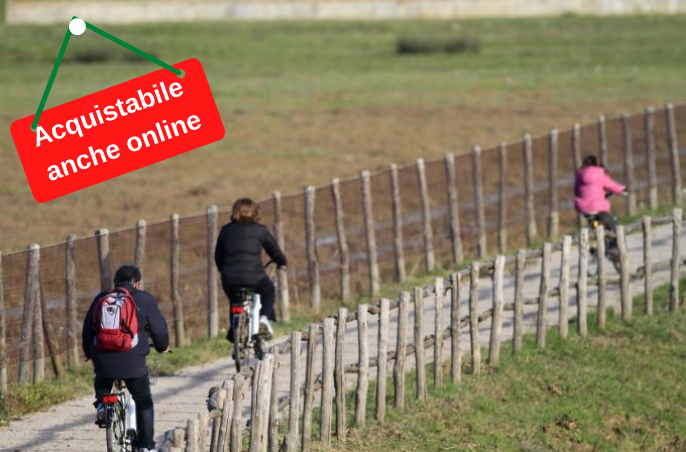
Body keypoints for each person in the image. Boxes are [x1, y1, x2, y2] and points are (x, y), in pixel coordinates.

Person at [82, 264, 169, 452]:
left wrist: (90, 353)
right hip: (133, 363)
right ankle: (145, 446)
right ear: (137, 283)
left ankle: (104, 405)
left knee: (103, 382)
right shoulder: (144, 299)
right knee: (143, 399)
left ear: (115, 283)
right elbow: (159, 331)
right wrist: (163, 347)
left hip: (103, 359)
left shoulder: (102, 299)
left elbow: (87, 330)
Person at [214, 198, 287, 342]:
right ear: (255, 212)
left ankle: (234, 328)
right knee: (269, 290)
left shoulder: (225, 230)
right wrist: (282, 262)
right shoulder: (261, 230)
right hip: (255, 278)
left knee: (235, 300)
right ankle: (264, 319)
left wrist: (223, 270)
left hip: (230, 279)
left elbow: (218, 256)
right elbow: (275, 252)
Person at [574, 155, 627, 255]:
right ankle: (613, 247)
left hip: (584, 207)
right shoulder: (598, 172)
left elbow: (577, 191)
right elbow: (611, 185)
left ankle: (594, 244)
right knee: (612, 223)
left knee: (594, 223)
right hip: (597, 206)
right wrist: (623, 190)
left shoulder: (579, 175)